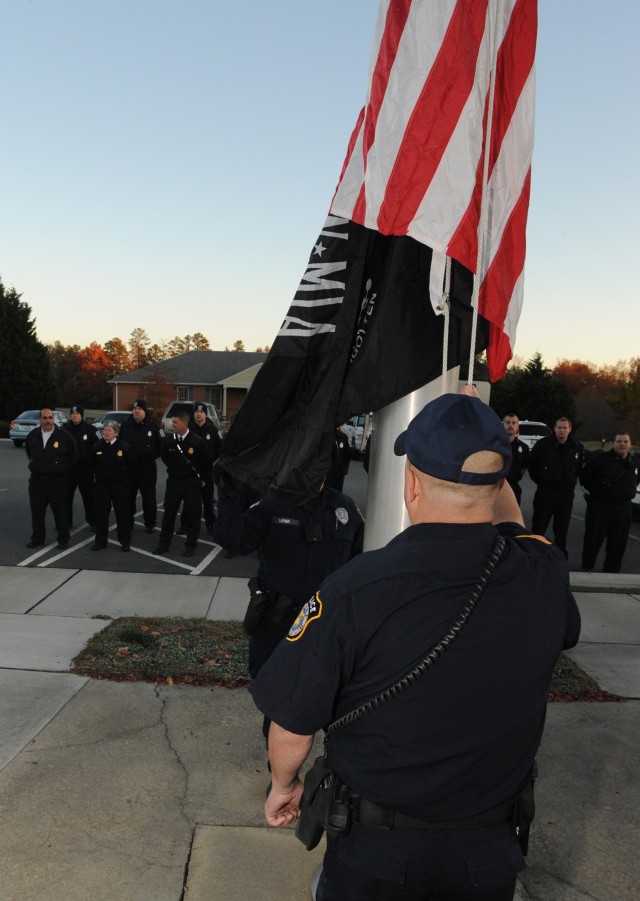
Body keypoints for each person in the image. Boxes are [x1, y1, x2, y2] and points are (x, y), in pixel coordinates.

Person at [250, 391, 580, 901]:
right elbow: (513, 526)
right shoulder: (543, 577)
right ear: (496, 486)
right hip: (487, 851)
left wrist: (283, 786)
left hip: (376, 852)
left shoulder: (354, 589)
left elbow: (292, 725)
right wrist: (483, 438)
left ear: (411, 484)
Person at [213, 480, 364, 739]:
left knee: (336, 703)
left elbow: (360, 560)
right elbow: (235, 540)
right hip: (278, 624)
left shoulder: (344, 508)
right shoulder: (271, 505)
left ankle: (336, 767)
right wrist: (229, 492)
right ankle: (281, 774)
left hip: (327, 627)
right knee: (279, 706)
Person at [153, 408, 210, 558]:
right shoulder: (168, 441)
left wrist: (199, 480)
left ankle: (191, 545)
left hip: (191, 483)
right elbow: (165, 457)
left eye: (175, 422)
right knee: (169, 515)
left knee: (193, 516)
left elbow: (206, 463)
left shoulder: (197, 442)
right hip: (174, 482)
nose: (172, 424)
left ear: (184, 423)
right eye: (172, 422)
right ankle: (163, 544)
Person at [580, 433, 639, 573]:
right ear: (614, 443)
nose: (622, 444)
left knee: (618, 542)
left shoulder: (634, 463)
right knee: (593, 540)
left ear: (630, 444)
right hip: (601, 506)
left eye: (625, 441)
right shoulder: (600, 460)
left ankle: (612, 570)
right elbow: (585, 478)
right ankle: (587, 568)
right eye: (619, 441)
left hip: (623, 508)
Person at [529, 417, 584, 557]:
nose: (562, 430)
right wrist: (542, 481)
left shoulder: (577, 447)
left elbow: (578, 468)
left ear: (570, 429)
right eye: (559, 427)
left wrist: (569, 481)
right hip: (545, 493)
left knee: (562, 529)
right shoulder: (543, 445)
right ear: (554, 428)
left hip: (565, 495)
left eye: (565, 428)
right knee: (538, 527)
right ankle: (534, 555)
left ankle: (559, 556)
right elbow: (533, 466)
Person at [25, 408, 79, 549]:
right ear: (40, 419)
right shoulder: (32, 436)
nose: (47, 421)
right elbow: (29, 454)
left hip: (58, 481)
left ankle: (63, 540)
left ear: (53, 419)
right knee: (37, 512)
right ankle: (37, 538)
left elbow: (74, 457)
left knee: (60, 512)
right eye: (44, 418)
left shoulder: (64, 436)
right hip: (37, 481)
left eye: (50, 418)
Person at [90, 420, 135, 552]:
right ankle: (100, 542)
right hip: (102, 485)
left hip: (120, 486)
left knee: (122, 514)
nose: (106, 432)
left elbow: (132, 466)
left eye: (109, 430)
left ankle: (125, 542)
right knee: (101, 514)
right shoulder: (96, 447)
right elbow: (91, 464)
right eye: (105, 430)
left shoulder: (125, 447)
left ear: (116, 433)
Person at [119, 399, 162, 533]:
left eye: (139, 409)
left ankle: (150, 523)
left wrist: (145, 453)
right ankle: (128, 522)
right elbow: (120, 445)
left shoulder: (153, 427)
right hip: (130, 468)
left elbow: (160, 449)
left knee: (148, 497)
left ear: (144, 411)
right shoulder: (125, 426)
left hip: (147, 468)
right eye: (134, 409)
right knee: (128, 497)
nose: (136, 411)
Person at [181, 402, 222, 535]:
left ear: (205, 414)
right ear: (193, 414)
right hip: (190, 473)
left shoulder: (213, 430)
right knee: (189, 500)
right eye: (197, 412)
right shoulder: (188, 429)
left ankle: (210, 525)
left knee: (208, 500)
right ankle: (184, 525)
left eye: (202, 412)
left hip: (206, 472)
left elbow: (219, 449)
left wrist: (210, 461)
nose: (199, 414)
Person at [63, 404, 96, 530]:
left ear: (82, 415)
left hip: (85, 469)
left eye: (77, 413)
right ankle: (66, 521)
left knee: (89, 497)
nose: (74, 415)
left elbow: (96, 448)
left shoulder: (90, 430)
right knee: (66, 497)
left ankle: (93, 521)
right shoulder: (64, 429)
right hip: (69, 469)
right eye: (72, 413)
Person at [502, 413, 529, 506]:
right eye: (508, 422)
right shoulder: (495, 445)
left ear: (517, 426)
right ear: (503, 424)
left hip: (514, 488)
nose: (510, 425)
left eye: (514, 423)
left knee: (512, 519)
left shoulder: (524, 448)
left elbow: (523, 469)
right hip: (496, 489)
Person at [326, 426, 352, 492]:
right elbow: (348, 455)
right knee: (337, 492)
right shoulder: (343, 437)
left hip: (325, 472)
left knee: (325, 494)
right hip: (339, 471)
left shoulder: (323, 435)